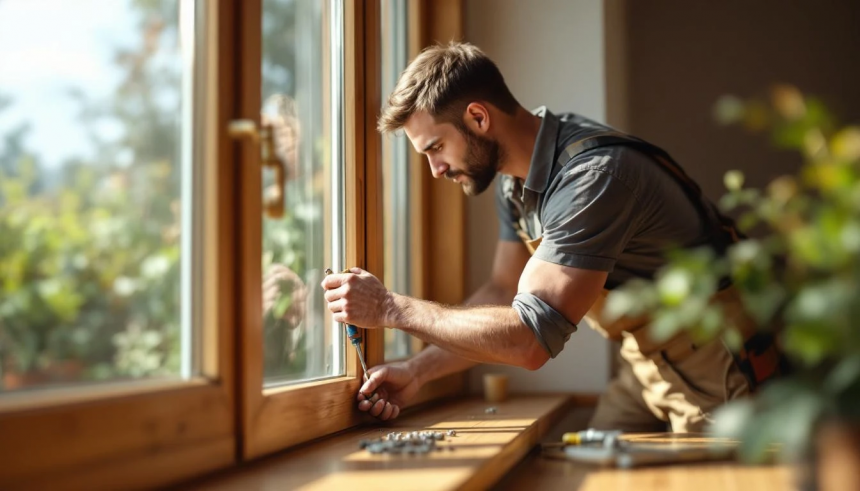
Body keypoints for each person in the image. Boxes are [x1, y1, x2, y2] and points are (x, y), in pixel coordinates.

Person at [321, 42, 781, 431]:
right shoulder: (513, 180)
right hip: (644, 365)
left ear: (478, 117)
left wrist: (390, 308)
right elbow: (503, 289)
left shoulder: (592, 178)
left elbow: (529, 340)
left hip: (720, 365)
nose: (435, 169)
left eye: (436, 148)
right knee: (592, 467)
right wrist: (417, 371)